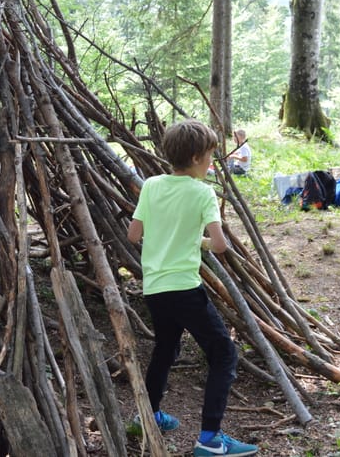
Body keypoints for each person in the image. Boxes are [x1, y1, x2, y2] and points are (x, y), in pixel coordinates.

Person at [127, 119, 257, 456]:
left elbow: (134, 235)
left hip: (154, 287)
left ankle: (150, 415)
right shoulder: (202, 193)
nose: (213, 163)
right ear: (198, 156)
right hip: (185, 287)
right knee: (224, 353)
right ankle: (210, 440)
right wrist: (195, 240)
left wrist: (175, 237)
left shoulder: (152, 185)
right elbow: (219, 245)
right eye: (211, 156)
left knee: (166, 348)